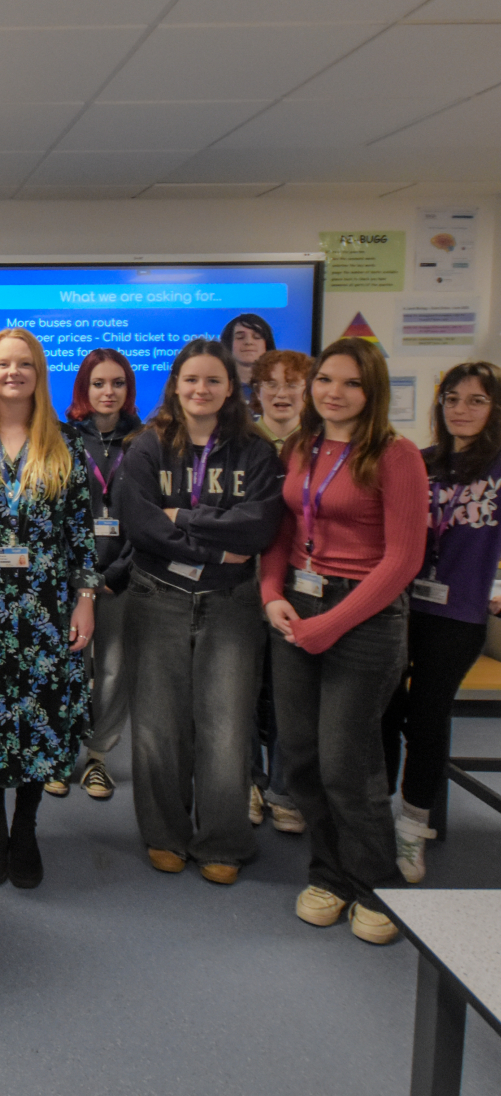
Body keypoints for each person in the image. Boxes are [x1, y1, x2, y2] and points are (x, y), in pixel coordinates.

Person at [261, 337, 427, 945]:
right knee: (302, 755)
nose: (334, 392)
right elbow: (286, 529)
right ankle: (329, 874)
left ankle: (375, 883)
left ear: (372, 391)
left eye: (350, 383)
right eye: (325, 379)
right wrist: (272, 594)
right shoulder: (304, 446)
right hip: (295, 611)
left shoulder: (397, 454)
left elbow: (403, 560)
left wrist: (328, 624)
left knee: (347, 761)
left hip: (364, 618)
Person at [117, 339, 283, 886]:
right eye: (191, 380)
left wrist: (181, 517)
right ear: (175, 385)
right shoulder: (147, 446)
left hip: (230, 605)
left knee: (227, 727)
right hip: (157, 596)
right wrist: (213, 542)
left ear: (230, 388)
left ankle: (222, 840)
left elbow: (258, 528)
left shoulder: (256, 451)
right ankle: (164, 834)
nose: (201, 390)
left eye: (213, 380)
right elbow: (140, 524)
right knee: (157, 727)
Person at [0, 329, 100, 889]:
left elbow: (82, 536)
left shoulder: (68, 447)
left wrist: (85, 599)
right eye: (3, 364)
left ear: (39, 372)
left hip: (45, 608)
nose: (13, 373)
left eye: (24, 364)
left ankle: (27, 827)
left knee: (40, 718)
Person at [382, 361, 501, 884]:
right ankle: (374, 807)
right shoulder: (419, 461)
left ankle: (413, 829)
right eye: (453, 398)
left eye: (476, 400)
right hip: (398, 606)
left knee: (428, 716)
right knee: (384, 708)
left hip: (459, 614)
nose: (462, 410)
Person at [62, 348, 142, 801]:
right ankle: (59, 755)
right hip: (71, 581)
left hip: (120, 578)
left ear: (128, 389)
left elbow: (148, 519)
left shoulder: (146, 442)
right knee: (68, 667)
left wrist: (114, 575)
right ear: (84, 389)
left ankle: (97, 758)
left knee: (113, 672)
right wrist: (81, 580)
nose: (108, 391)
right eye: (98, 383)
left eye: (117, 383)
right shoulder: (64, 439)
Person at [245, 348, 311, 834]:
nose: (282, 393)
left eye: (293, 384)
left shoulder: (321, 445)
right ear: (257, 391)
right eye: (272, 383)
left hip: (303, 586)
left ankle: (286, 788)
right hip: (244, 580)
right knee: (243, 686)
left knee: (292, 692)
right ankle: (248, 778)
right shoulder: (242, 443)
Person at [219, 313, 276, 401]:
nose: (249, 342)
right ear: (228, 344)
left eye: (257, 337)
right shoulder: (219, 387)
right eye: (240, 337)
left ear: (266, 344)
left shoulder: (280, 387)